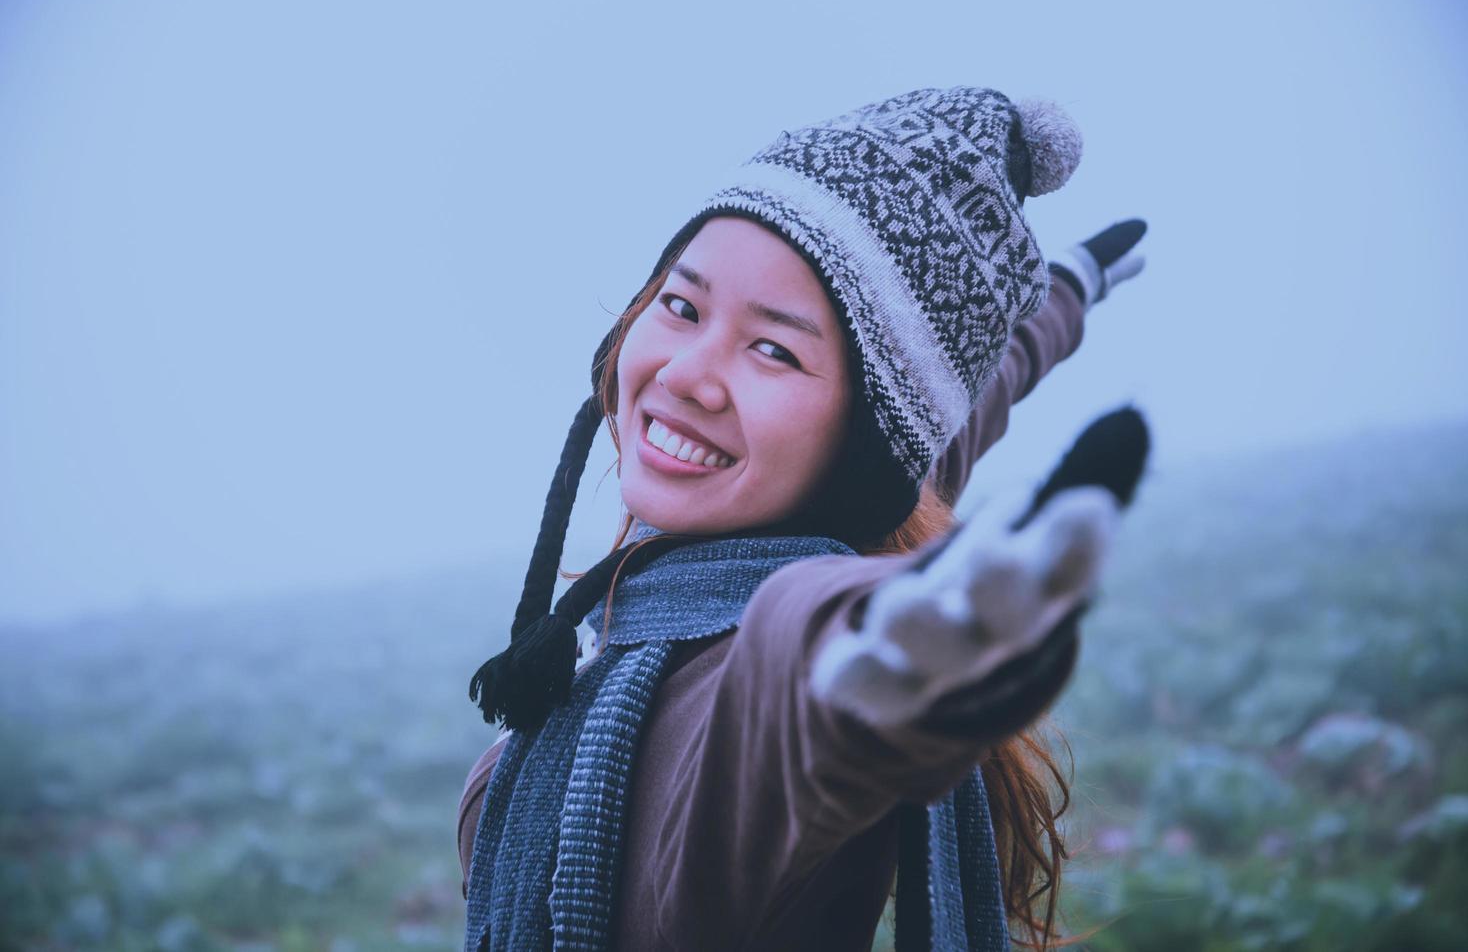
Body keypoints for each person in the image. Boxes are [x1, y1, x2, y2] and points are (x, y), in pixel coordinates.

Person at [458, 85, 1151, 951]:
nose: (685, 375)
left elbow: (795, 681)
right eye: (682, 305)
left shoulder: (753, 673)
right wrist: (1065, 291)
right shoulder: (676, 581)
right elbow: (960, 414)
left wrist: (905, 648)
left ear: (861, 448)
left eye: (774, 349)